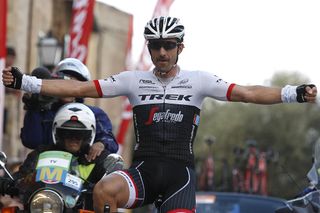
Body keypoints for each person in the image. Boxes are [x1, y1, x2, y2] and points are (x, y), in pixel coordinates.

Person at [1, 16, 318, 213]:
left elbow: (249, 93)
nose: (161, 53)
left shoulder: (199, 80)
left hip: (180, 177)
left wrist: (293, 92)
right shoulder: (133, 80)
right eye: (155, 46)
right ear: (149, 49)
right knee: (103, 190)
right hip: (143, 172)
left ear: (180, 47)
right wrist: (26, 81)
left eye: (168, 45)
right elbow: (80, 88)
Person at [0, 102, 124, 210]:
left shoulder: (98, 158)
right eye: (67, 133)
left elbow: (111, 185)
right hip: (40, 206)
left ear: (89, 135)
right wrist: (8, 183)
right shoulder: (41, 153)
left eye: (80, 134)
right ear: (57, 132)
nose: (73, 139)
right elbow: (22, 175)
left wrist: (99, 188)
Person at [20, 58, 118, 162]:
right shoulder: (44, 112)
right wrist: (34, 107)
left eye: (74, 83)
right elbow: (31, 141)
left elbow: (110, 141)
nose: (68, 87)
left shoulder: (94, 114)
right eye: (64, 82)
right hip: (47, 170)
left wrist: (102, 144)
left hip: (83, 172)